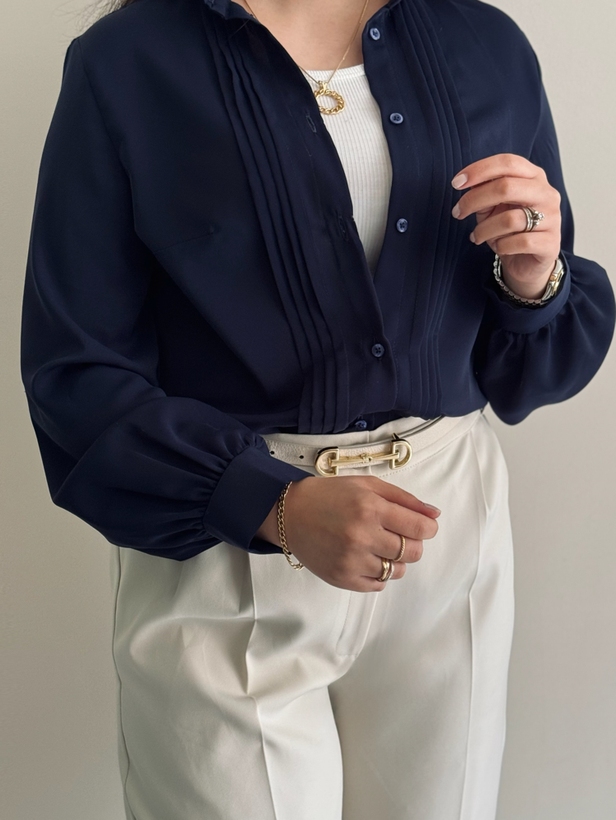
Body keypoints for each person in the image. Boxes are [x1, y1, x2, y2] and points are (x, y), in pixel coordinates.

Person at [20, 0, 614, 818]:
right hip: (225, 548)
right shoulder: (127, 61)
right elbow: (75, 366)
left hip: (446, 537)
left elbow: (524, 364)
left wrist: (535, 280)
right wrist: (274, 504)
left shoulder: (485, 42)